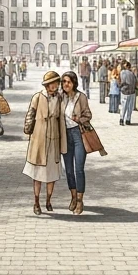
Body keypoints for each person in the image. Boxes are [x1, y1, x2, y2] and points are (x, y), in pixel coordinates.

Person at [24, 70, 68, 215]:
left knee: (52, 172)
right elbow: (30, 114)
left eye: (57, 83)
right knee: (37, 172)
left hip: (54, 136)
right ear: (47, 85)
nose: (55, 86)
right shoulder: (38, 97)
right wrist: (28, 129)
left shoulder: (60, 98)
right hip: (39, 137)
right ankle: (36, 202)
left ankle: (48, 200)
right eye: (53, 84)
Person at [59, 71, 93, 215]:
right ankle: (73, 196)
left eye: (68, 82)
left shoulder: (81, 97)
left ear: (74, 83)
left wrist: (79, 119)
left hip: (78, 134)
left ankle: (80, 200)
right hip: (65, 136)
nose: (66, 84)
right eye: (64, 82)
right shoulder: (60, 98)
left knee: (79, 168)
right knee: (68, 170)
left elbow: (88, 115)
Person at [119, 60, 138, 125]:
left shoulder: (123, 72)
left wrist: (120, 86)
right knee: (130, 107)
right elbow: (136, 82)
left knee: (124, 106)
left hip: (125, 91)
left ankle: (121, 119)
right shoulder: (132, 73)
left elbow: (122, 81)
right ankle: (128, 120)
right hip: (132, 91)